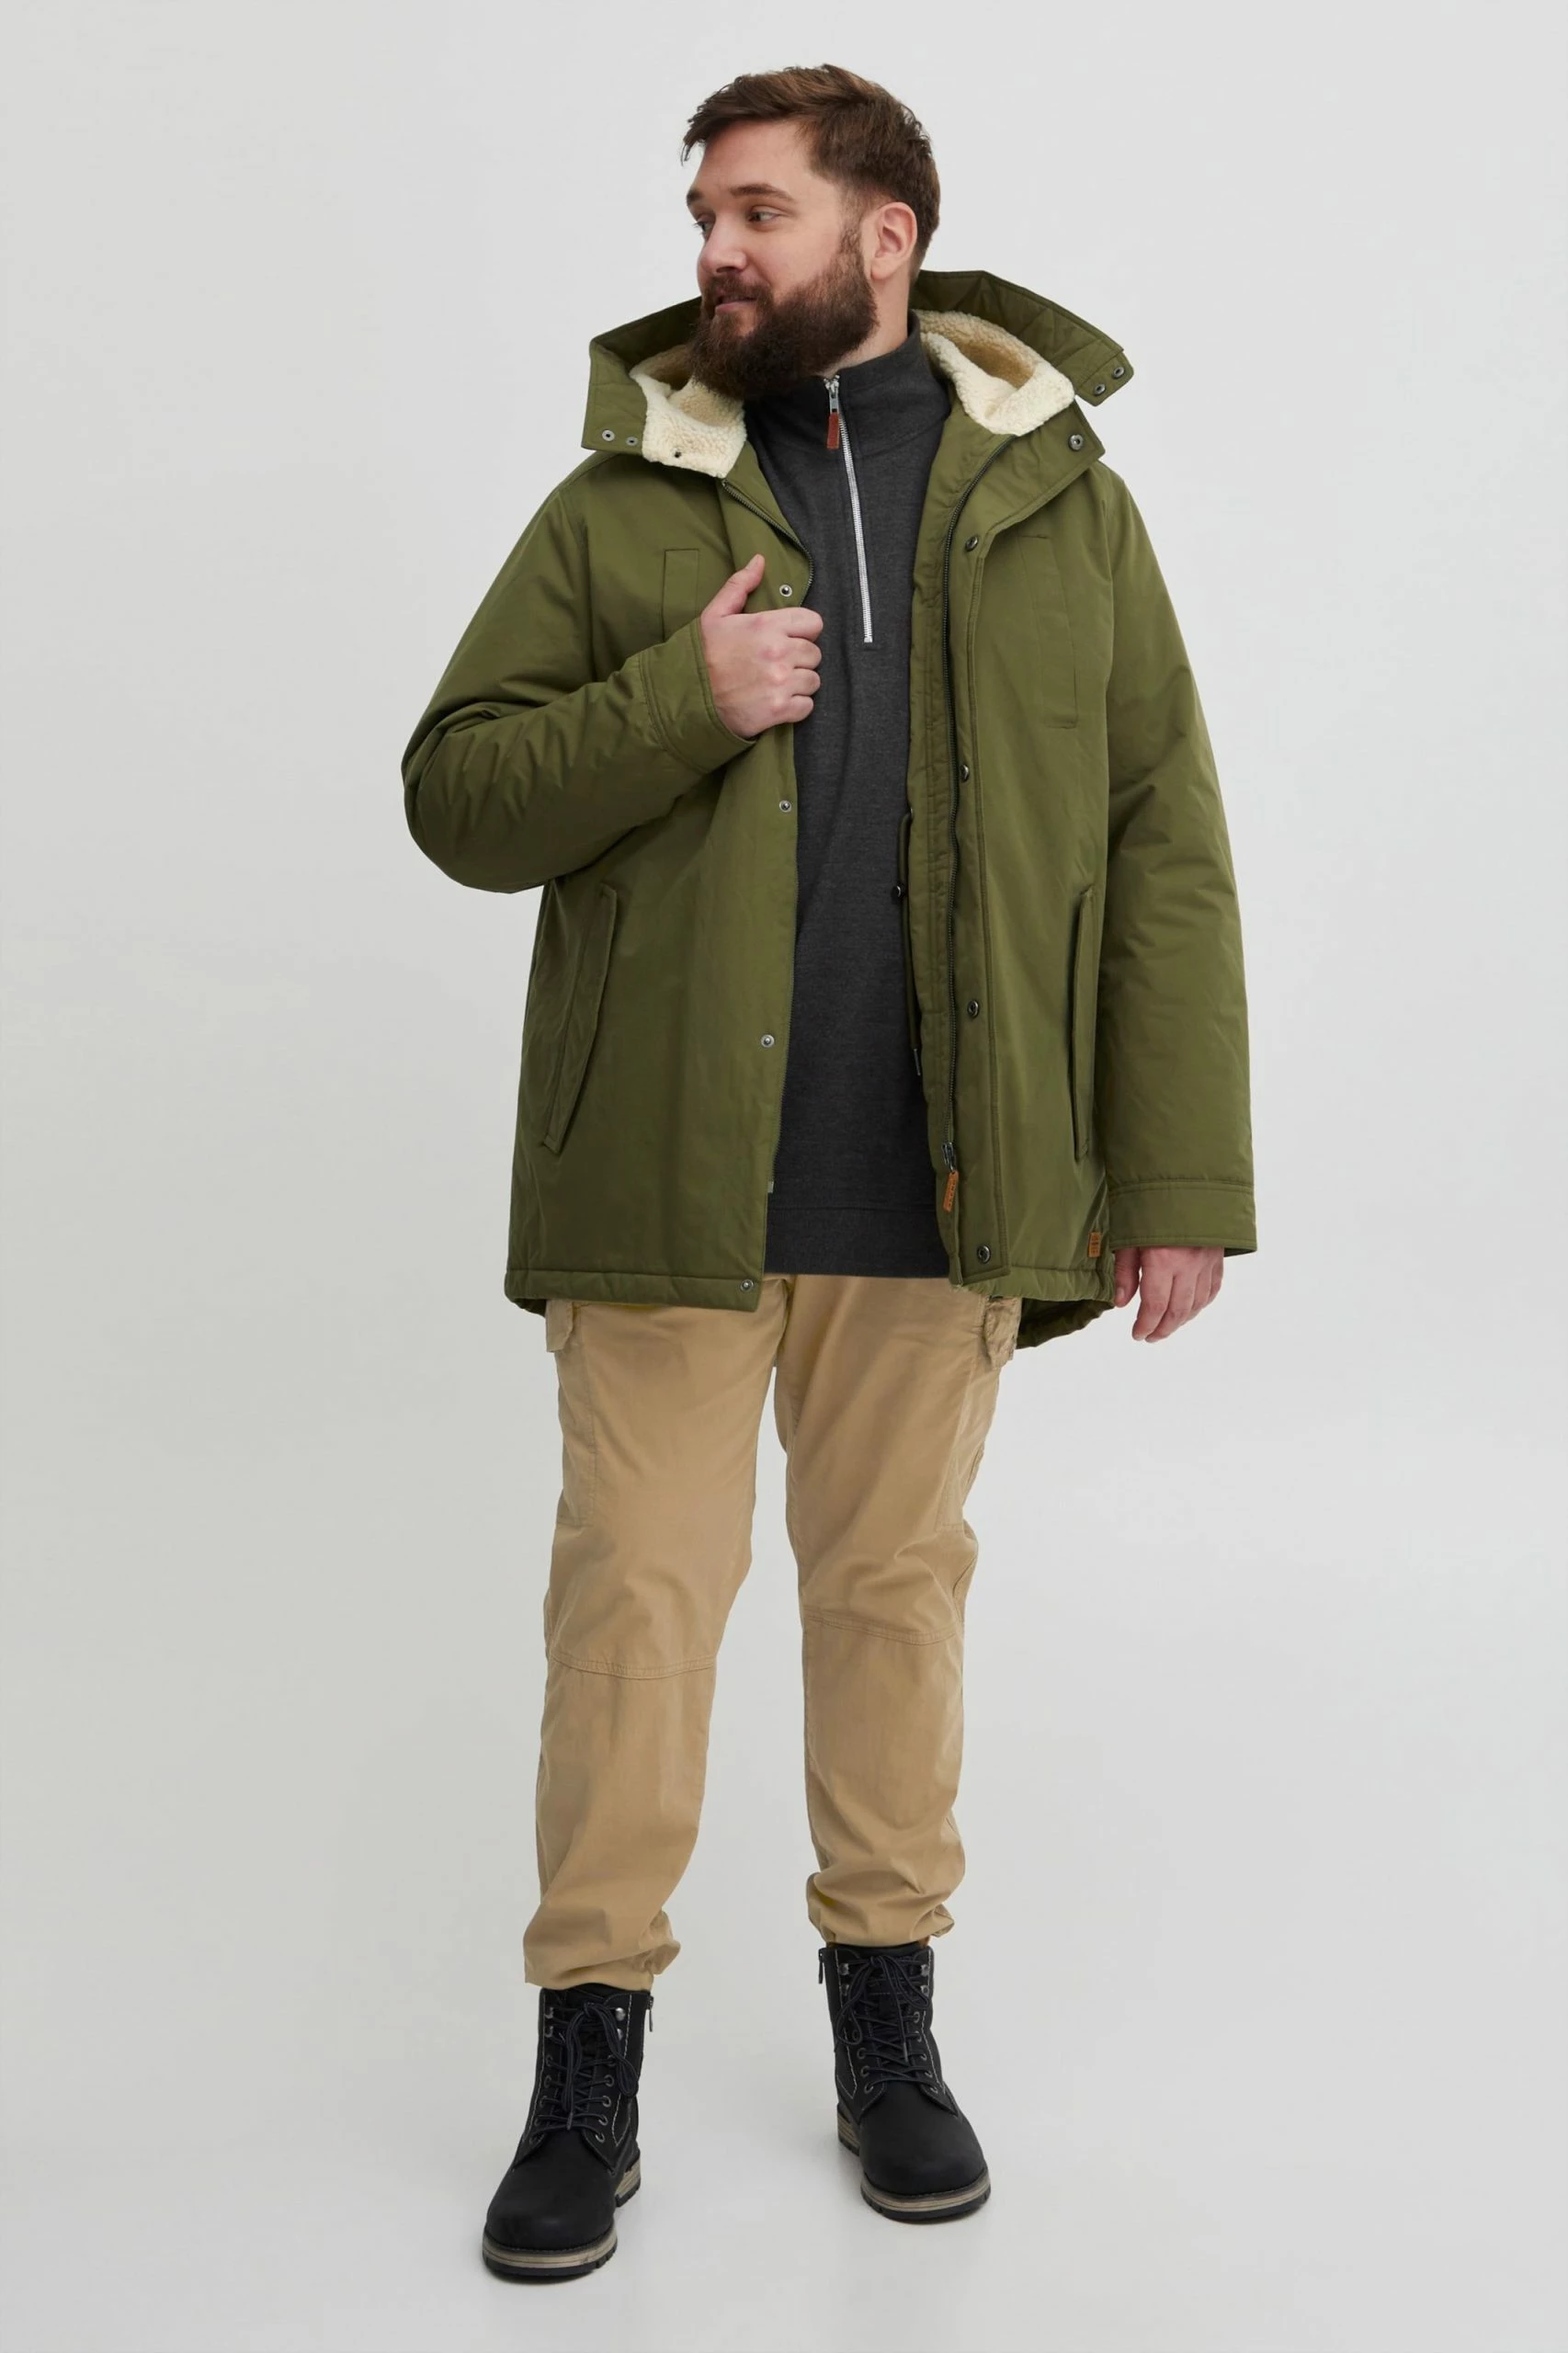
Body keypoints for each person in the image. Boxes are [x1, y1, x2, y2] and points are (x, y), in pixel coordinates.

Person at [400, 63, 1256, 2282]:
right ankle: (586, 2060)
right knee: (635, 1611)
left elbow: (1161, 835)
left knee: (892, 1603)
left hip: (948, 1179)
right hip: (665, 1184)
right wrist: (677, 699)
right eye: (704, 209)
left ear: (887, 235)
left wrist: (1173, 1169)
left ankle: (888, 2027)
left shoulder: (1059, 508)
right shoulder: (623, 502)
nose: (715, 246)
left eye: (759, 209)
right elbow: (459, 795)